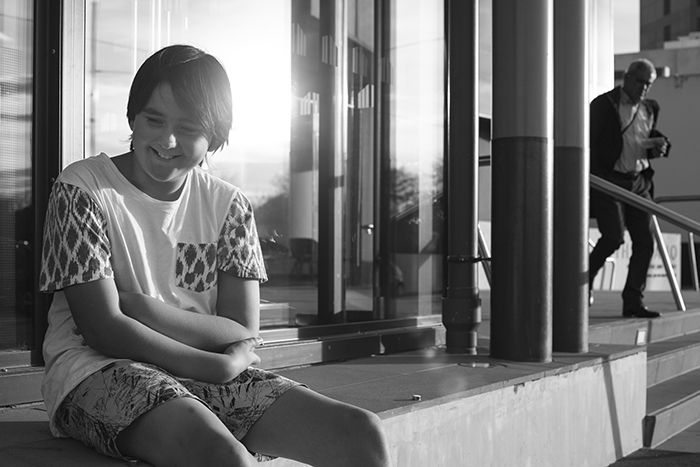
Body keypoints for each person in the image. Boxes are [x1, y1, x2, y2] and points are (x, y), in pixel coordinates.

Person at [39, 44, 391, 467]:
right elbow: (102, 329)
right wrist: (217, 368)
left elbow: (241, 330)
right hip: (94, 371)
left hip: (197, 370)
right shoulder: (83, 187)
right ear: (132, 117)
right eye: (154, 119)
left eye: (188, 128)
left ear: (215, 136)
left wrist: (139, 306)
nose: (167, 140)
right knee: (225, 458)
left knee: (362, 436)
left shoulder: (229, 205)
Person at [589, 58, 671, 319]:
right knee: (613, 236)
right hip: (608, 179)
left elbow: (643, 136)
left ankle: (633, 302)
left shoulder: (650, 108)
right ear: (626, 77)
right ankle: (580, 285)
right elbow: (590, 141)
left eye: (648, 84)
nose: (644, 88)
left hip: (638, 182)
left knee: (645, 242)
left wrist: (661, 145)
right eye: (640, 81)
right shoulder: (604, 104)